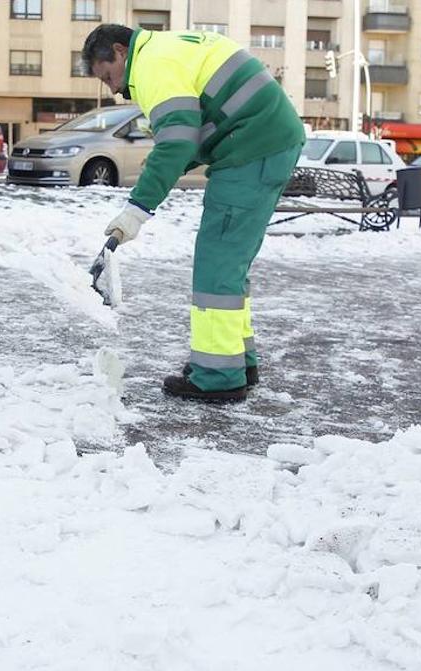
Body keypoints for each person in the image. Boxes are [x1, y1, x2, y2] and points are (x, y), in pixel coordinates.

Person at [82, 24, 305, 403]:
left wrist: (137, 209)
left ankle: (218, 375)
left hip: (250, 149)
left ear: (120, 51)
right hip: (261, 142)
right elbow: (185, 143)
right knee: (228, 265)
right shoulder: (164, 50)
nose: (113, 89)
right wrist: (153, 187)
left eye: (108, 76)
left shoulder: (152, 66)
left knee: (217, 265)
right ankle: (236, 360)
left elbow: (177, 142)